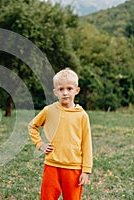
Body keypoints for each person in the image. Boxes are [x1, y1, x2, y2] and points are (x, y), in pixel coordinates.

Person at [28, 68, 93, 200]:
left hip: (73, 167)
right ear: (55, 92)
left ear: (77, 90)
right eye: (61, 89)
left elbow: (87, 144)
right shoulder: (49, 111)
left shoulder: (82, 115)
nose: (65, 93)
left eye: (69, 89)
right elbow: (32, 126)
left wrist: (86, 170)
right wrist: (40, 144)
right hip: (52, 165)